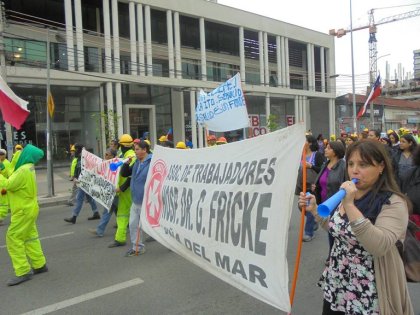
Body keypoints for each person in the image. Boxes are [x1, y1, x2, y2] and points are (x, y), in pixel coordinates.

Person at [298, 140, 414, 314]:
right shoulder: (348, 195)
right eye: (351, 163)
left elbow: (379, 246)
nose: (354, 170)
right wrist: (315, 210)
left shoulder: (394, 203)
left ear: (381, 166)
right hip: (337, 281)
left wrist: (350, 206)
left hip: (370, 288)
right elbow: (337, 229)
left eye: (363, 164)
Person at [0, 144, 48, 286]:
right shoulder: (29, 167)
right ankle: (39, 264)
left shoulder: (22, 170)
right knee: (30, 237)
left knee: (13, 238)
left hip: (22, 210)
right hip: (29, 208)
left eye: (21, 152)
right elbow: (12, 170)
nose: (17, 154)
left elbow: (8, 184)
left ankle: (22, 271)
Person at [119, 140, 152, 256]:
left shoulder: (152, 162)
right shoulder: (136, 162)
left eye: (137, 149)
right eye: (135, 149)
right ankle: (137, 247)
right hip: (136, 199)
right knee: (133, 224)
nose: (135, 151)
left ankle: (171, 242)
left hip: (148, 200)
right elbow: (125, 174)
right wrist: (126, 163)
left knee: (157, 225)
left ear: (144, 150)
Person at [295, 134, 325, 242]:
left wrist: (311, 166)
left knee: (307, 205)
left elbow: (322, 170)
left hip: (312, 187)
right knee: (301, 207)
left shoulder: (317, 155)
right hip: (301, 186)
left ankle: (309, 233)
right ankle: (314, 217)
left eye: (305, 141)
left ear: (310, 143)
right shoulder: (300, 155)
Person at [108, 134, 136, 248]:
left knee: (131, 214)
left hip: (128, 190)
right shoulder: (123, 155)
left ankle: (121, 239)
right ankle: (120, 238)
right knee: (124, 214)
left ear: (121, 145)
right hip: (125, 191)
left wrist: (122, 188)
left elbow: (131, 176)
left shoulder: (131, 157)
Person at [64, 143, 100, 224]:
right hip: (81, 181)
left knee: (79, 199)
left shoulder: (86, 158)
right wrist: (75, 177)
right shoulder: (79, 158)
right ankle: (96, 212)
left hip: (85, 182)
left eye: (76, 149)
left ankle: (74, 217)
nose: (74, 151)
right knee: (89, 198)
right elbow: (78, 169)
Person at [88, 148, 119, 237]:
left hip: (116, 193)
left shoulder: (116, 165)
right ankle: (100, 230)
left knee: (117, 212)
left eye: (107, 155)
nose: (105, 156)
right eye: (105, 154)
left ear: (112, 156)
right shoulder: (106, 165)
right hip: (111, 193)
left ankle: (100, 230)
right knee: (112, 211)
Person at [0, 149, 11, 225]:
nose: (0, 156)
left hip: (4, 185)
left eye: (2, 154)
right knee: (4, 204)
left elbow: (9, 174)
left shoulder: (7, 163)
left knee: (4, 203)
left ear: (5, 155)